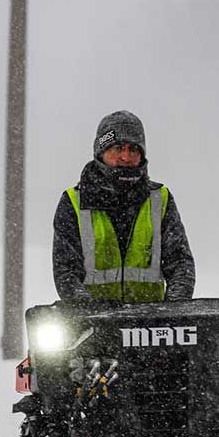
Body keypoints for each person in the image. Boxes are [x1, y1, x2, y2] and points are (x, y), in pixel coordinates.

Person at [52, 110, 195, 303]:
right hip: (94, 325)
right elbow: (65, 270)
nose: (126, 157)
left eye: (133, 149)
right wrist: (86, 309)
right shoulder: (73, 202)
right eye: (118, 148)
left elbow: (180, 263)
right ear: (101, 152)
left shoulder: (160, 199)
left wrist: (173, 309)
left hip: (152, 325)